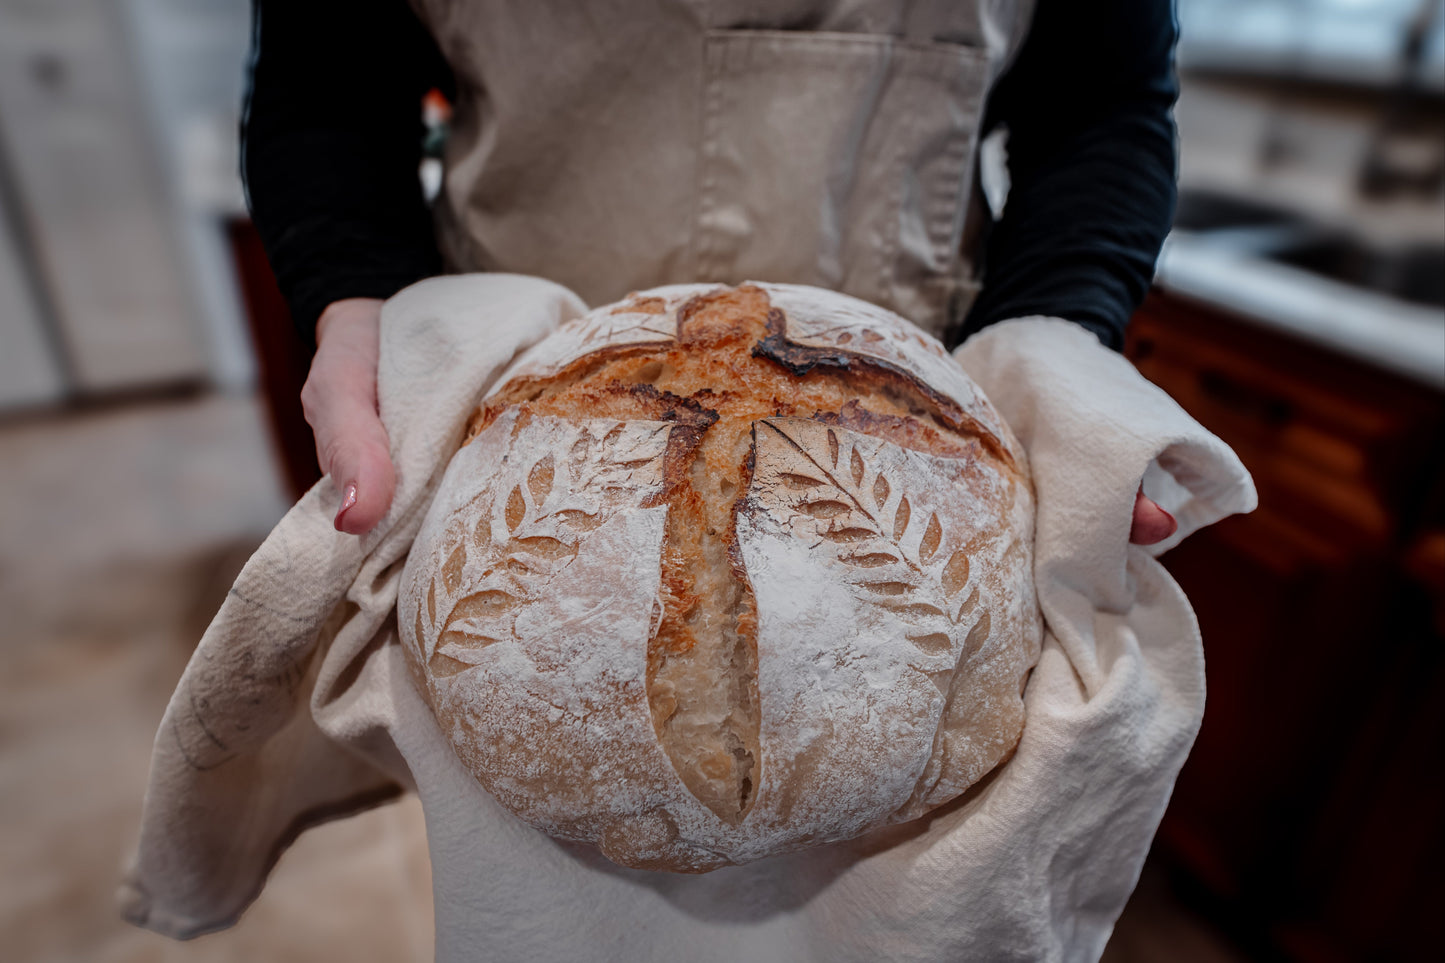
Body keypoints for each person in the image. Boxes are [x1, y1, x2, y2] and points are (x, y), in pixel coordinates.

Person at [242, 0, 1181, 544]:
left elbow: (1099, 104)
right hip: (512, 425)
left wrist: (1055, 327)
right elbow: (327, 92)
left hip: (907, 425)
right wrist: (356, 293)